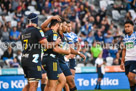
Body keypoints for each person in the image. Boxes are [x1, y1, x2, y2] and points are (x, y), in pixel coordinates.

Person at [21, 13, 61, 91]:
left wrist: (51, 17)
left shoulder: (24, 32)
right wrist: (56, 43)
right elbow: (46, 45)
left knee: (29, 84)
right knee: (33, 85)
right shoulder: (37, 30)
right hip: (33, 60)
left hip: (24, 59)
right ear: (36, 21)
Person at [42, 19, 71, 91]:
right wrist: (66, 52)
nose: (60, 27)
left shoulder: (47, 32)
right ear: (57, 25)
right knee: (53, 84)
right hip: (51, 59)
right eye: (60, 25)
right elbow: (55, 49)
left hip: (46, 58)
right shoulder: (54, 33)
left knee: (62, 80)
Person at [120, 20, 136, 91]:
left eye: (128, 26)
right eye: (125, 27)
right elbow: (124, 50)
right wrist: (122, 61)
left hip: (134, 59)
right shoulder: (125, 38)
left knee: (131, 77)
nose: (126, 28)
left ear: (132, 27)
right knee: (130, 81)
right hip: (127, 60)